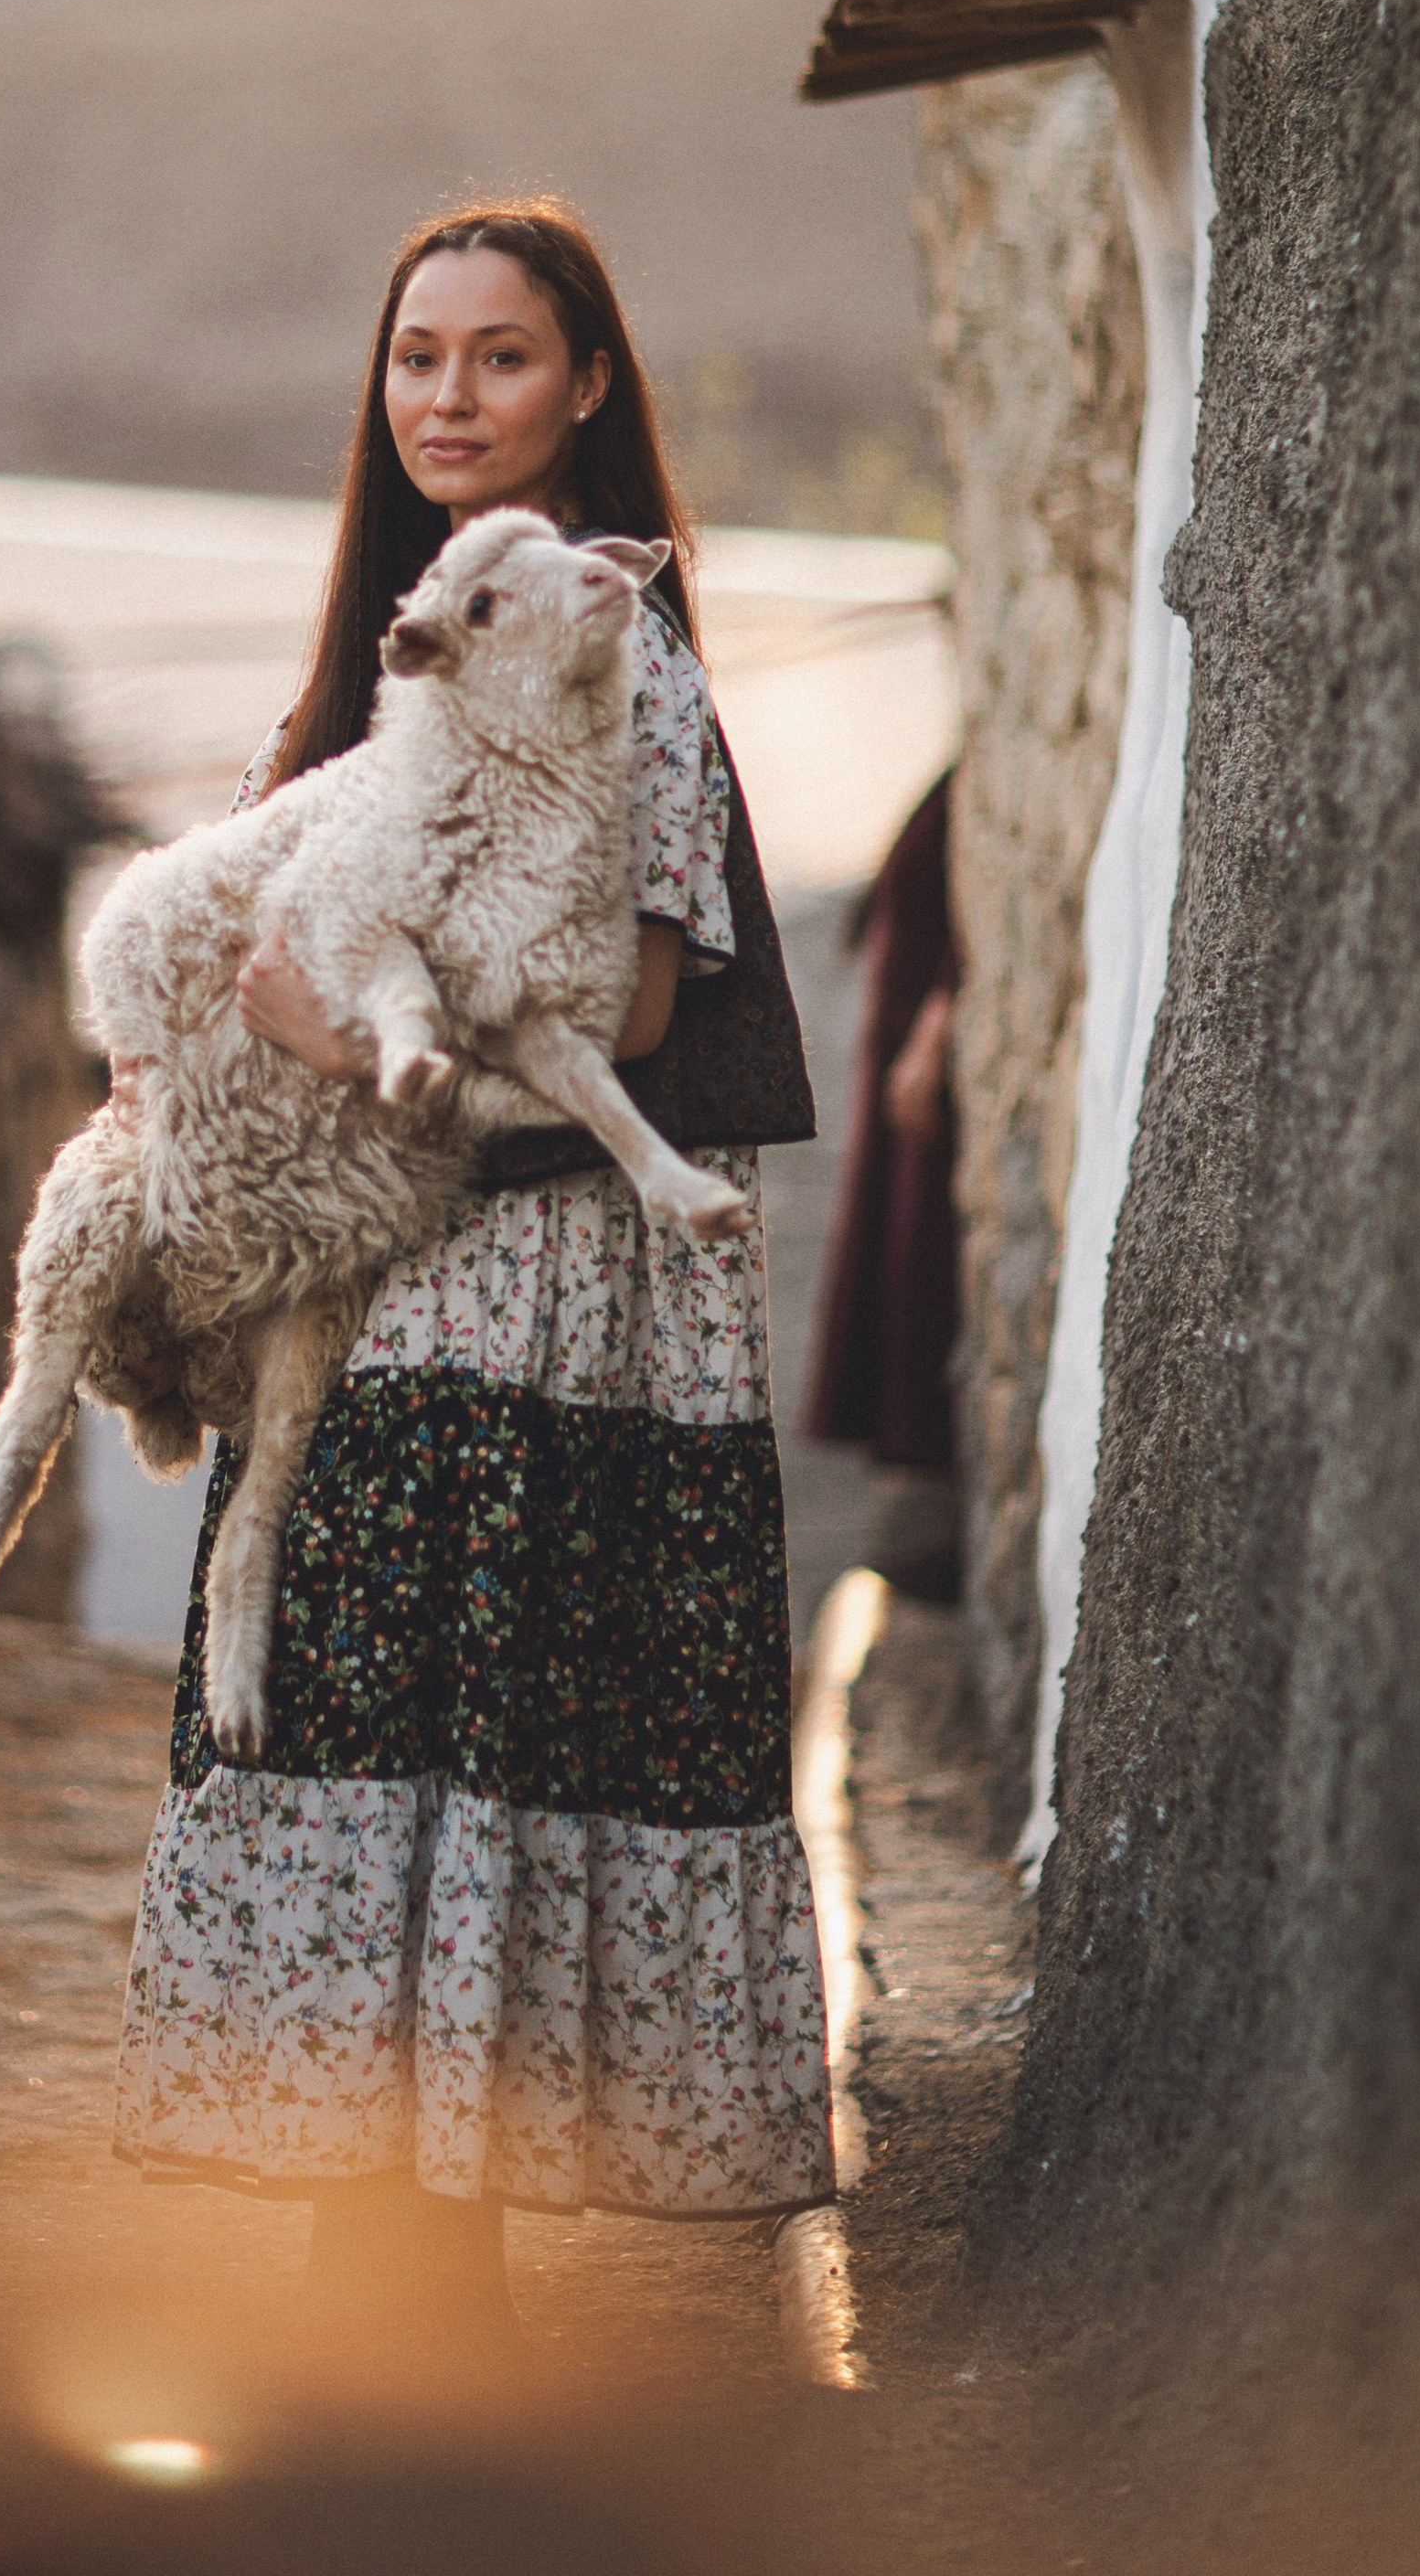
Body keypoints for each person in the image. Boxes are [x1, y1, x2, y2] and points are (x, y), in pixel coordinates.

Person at [111, 198, 834, 2320]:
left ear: (589, 381)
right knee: (357, 1717)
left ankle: (425, 2319)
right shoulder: (391, 655)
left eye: (497, 356)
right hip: (378, 1280)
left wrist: (323, 1034)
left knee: (457, 1730)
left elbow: (615, 1010)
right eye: (415, 356)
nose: (445, 396)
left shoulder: (619, 651)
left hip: (531, 1294)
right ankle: (383, 2289)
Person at [801, 771, 962, 1602]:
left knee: (924, 1260)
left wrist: (935, 1034)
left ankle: (938, 1514)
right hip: (895, 1062)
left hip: (918, 1071)